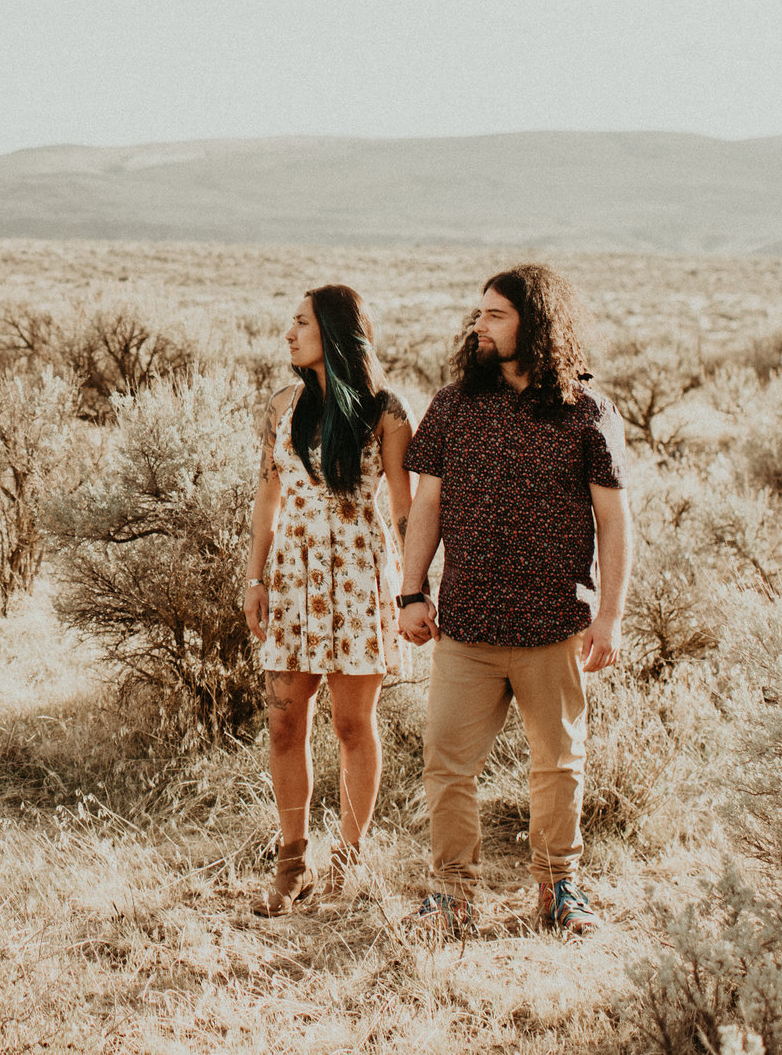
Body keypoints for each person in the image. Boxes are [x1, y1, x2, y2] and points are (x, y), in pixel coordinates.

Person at [396, 263, 630, 939]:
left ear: (537, 322)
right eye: (480, 313)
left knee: (557, 762)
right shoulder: (454, 405)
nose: (480, 325)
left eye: (495, 314)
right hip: (466, 619)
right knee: (446, 759)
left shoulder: (587, 412)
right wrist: (411, 592)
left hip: (554, 621)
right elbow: (428, 504)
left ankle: (559, 888)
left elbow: (615, 521)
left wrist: (609, 616)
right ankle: (451, 894)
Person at [242, 284, 415, 916]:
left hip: (358, 576)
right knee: (285, 720)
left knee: (350, 723)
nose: (289, 334)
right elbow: (267, 498)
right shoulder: (284, 405)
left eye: (301, 323)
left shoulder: (386, 410)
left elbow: (403, 507)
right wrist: (254, 578)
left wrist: (417, 589)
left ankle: (350, 855)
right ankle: (293, 862)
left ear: (336, 332)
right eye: (289, 322)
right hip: (291, 572)